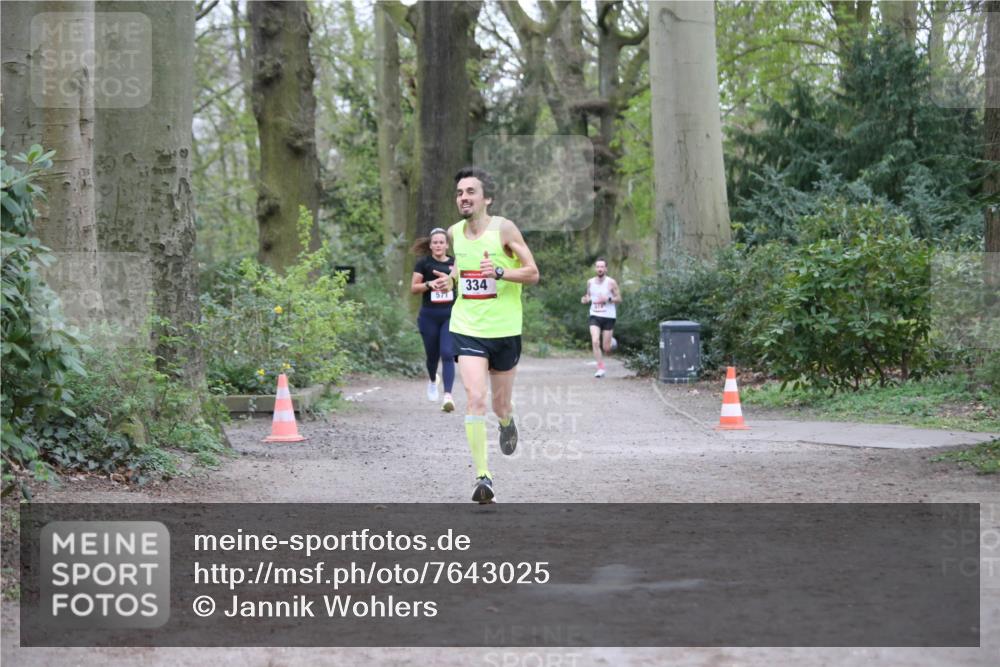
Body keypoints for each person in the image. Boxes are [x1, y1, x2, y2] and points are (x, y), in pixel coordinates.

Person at [426, 167, 539, 503]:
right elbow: (460, 266)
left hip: (504, 330)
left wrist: (501, 271)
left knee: (500, 404)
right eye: (459, 193)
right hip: (467, 328)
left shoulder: (504, 229)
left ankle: (506, 421)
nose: (464, 197)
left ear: (487, 198)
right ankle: (483, 477)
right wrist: (450, 279)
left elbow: (532, 273)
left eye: (471, 192)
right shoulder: (454, 233)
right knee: (475, 398)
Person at [411, 228, 456, 412]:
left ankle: (448, 396)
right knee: (432, 356)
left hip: (450, 315)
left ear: (447, 245)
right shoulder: (423, 263)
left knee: (447, 353)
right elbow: (414, 288)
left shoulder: (454, 264)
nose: (438, 245)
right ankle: (432, 380)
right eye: (435, 242)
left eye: (441, 242)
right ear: (430, 245)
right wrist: (429, 284)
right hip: (429, 316)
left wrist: (450, 282)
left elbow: (462, 285)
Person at [581, 258, 621, 378]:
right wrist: (585, 299)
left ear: (606, 269)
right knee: (595, 341)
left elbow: (619, 298)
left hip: (608, 316)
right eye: (598, 267)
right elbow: (588, 295)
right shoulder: (590, 282)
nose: (600, 269)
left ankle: (611, 342)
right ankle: (600, 368)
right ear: (595, 268)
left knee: (606, 348)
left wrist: (608, 299)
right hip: (595, 315)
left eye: (602, 267)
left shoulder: (611, 282)